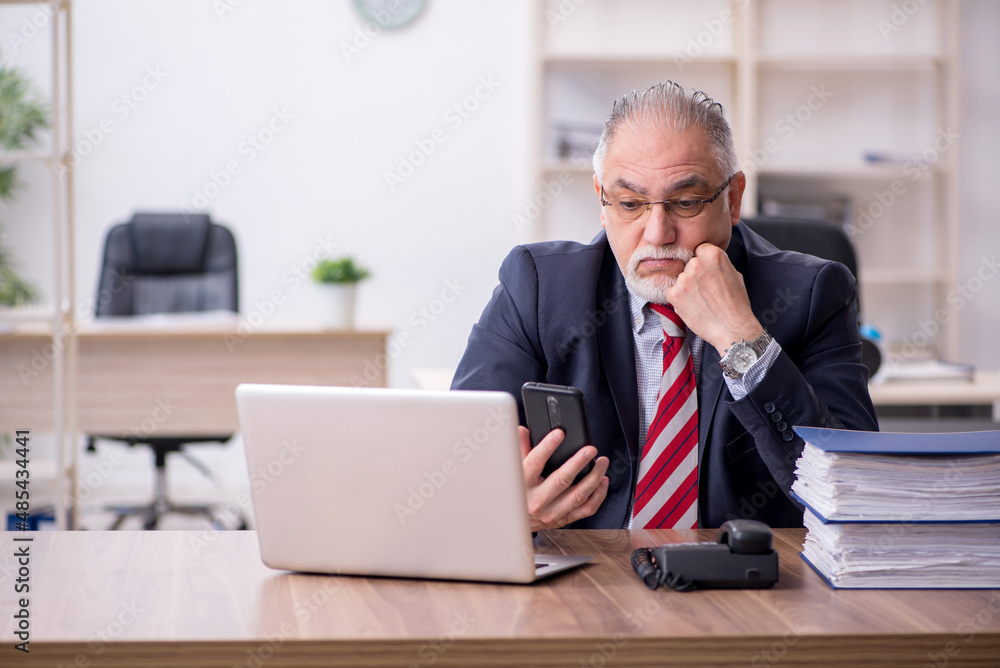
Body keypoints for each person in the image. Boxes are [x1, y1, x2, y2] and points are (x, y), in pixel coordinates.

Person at [452, 81, 878, 531]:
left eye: (686, 202)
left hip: (744, 585)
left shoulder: (813, 294)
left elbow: (851, 486)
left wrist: (741, 338)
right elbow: (455, 460)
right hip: (587, 581)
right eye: (630, 203)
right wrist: (509, 508)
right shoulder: (537, 285)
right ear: (601, 199)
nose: (657, 233)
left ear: (732, 199)